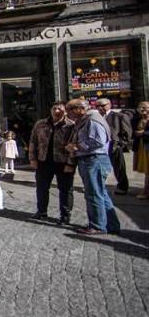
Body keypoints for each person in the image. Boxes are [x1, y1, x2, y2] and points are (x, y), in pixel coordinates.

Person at [65, 99, 120, 235]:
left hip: (94, 160)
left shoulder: (92, 119)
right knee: (101, 193)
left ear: (78, 109)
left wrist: (76, 146)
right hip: (92, 159)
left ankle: (97, 226)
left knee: (94, 194)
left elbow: (98, 141)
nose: (68, 113)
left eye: (69, 110)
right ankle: (111, 224)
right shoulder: (86, 119)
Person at [28, 102, 76, 224]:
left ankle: (65, 216)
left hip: (63, 162)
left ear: (65, 111)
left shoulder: (71, 125)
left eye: (59, 109)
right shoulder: (40, 124)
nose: (56, 111)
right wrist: (32, 159)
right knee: (42, 188)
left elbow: (74, 146)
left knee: (65, 189)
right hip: (43, 161)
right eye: (54, 108)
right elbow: (33, 142)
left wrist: (70, 164)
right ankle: (41, 212)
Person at [94, 98, 133, 195]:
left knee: (119, 168)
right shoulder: (96, 117)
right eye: (97, 106)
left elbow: (127, 132)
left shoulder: (119, 116)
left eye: (102, 105)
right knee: (99, 168)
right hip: (99, 147)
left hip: (114, 146)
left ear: (109, 105)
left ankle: (122, 187)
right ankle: (98, 186)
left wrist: (120, 144)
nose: (100, 108)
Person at [131, 101, 149, 199]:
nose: (143, 109)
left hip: (147, 146)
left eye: (146, 107)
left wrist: (143, 133)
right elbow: (132, 132)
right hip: (141, 147)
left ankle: (145, 191)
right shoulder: (136, 119)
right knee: (147, 171)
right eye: (141, 107)